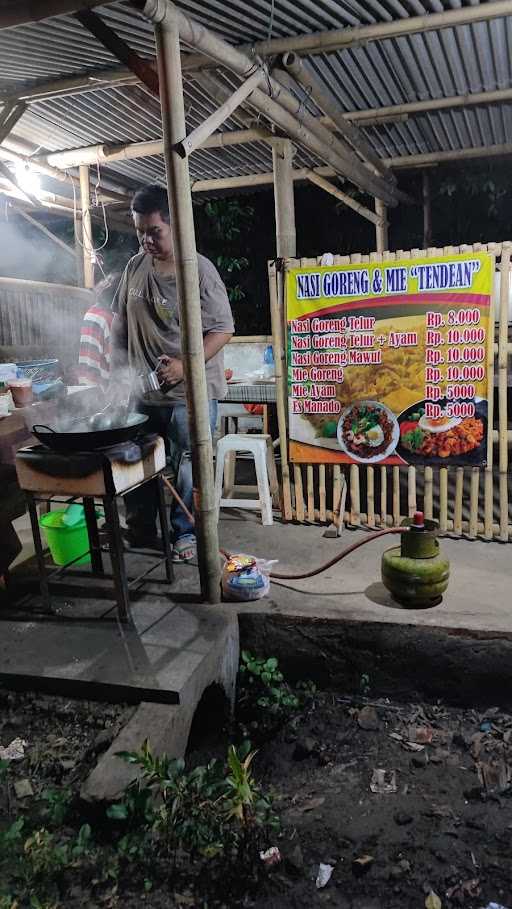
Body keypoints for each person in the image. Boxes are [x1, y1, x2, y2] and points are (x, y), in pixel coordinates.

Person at [111, 183, 234, 562]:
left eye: (154, 232)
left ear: (174, 226)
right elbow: (119, 321)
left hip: (188, 395)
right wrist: (115, 369)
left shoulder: (198, 271)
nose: (146, 240)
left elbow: (223, 329)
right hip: (142, 393)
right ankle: (142, 531)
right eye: (139, 231)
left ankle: (186, 535)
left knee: (187, 466)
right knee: (137, 461)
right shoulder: (135, 266)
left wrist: (185, 365)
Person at [78, 272, 120, 387]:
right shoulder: (109, 320)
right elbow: (114, 362)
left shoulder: (92, 311)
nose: (102, 283)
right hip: (102, 388)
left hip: (85, 381)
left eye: (108, 280)